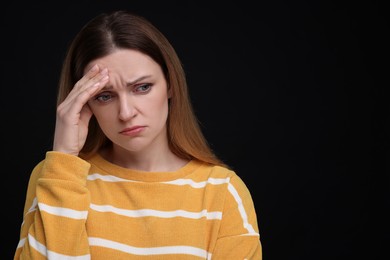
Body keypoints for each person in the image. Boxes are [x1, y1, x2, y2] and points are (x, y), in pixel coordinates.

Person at [14, 10, 262, 259]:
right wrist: (64, 160)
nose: (125, 112)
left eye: (142, 87)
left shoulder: (222, 193)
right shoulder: (57, 176)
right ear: (84, 102)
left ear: (171, 84)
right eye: (105, 96)